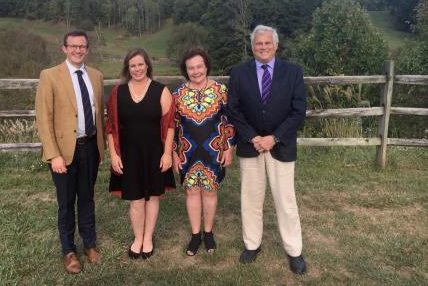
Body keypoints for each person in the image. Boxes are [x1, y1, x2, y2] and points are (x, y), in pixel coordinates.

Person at [227, 25, 307, 274]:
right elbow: (234, 110)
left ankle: (294, 251)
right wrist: (252, 137)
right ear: (252, 47)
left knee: (286, 202)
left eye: (267, 43)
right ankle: (252, 244)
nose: (262, 47)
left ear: (276, 45)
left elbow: (298, 111)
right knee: (250, 199)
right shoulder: (239, 73)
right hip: (251, 147)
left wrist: (274, 138)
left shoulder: (292, 72)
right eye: (258, 43)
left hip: (280, 146)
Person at [35, 30, 105, 274]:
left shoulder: (96, 76)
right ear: (64, 48)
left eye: (82, 46)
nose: (78, 50)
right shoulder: (50, 76)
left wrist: (101, 148)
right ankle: (68, 251)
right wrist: (54, 154)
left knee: (87, 198)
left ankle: (89, 244)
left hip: (90, 148)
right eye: (73, 46)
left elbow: (99, 114)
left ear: (87, 49)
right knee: (66, 203)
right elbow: (44, 119)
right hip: (63, 153)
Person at [106, 48, 176, 260]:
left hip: (155, 153)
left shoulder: (161, 91)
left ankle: (148, 237)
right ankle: (137, 238)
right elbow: (110, 126)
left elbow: (170, 125)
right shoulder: (117, 93)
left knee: (152, 197)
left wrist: (167, 154)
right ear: (128, 68)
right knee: (136, 200)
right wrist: (114, 155)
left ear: (147, 65)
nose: (137, 68)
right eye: (133, 65)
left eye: (140, 64)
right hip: (129, 154)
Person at [172, 47, 235, 256]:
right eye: (191, 68)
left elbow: (230, 121)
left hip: (214, 150)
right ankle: (195, 234)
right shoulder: (178, 94)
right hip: (186, 151)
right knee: (191, 191)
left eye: (199, 66)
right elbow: (172, 127)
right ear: (186, 70)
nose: (196, 71)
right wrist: (173, 153)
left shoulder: (221, 91)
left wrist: (228, 147)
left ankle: (208, 233)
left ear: (206, 66)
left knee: (209, 191)